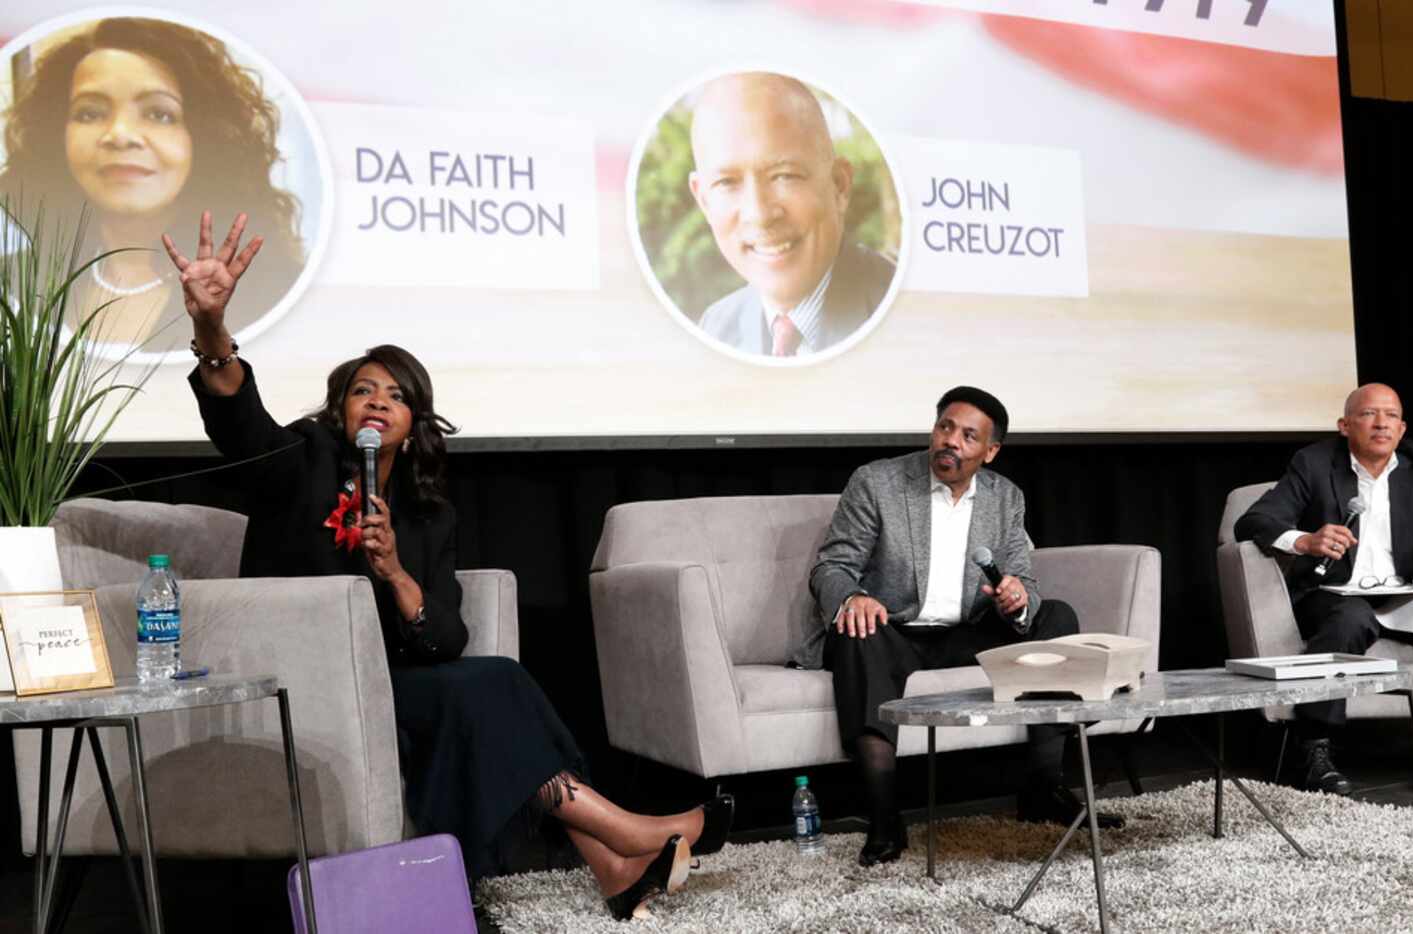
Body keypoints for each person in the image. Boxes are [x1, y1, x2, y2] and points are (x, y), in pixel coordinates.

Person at [166, 212, 732, 920]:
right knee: (491, 688)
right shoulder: (302, 463)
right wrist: (214, 328)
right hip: (306, 684)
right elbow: (237, 420)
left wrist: (398, 573)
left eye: (396, 395)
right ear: (341, 408)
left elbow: (446, 640)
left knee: (488, 682)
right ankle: (623, 835)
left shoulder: (429, 516)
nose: (378, 401)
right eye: (363, 390)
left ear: (415, 421)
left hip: (392, 684)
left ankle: (616, 864)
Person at [798, 386, 1122, 866]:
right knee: (855, 630)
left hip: (965, 633)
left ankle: (1042, 789)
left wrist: (1017, 600)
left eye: (968, 436)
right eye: (945, 427)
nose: (951, 441)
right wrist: (853, 597)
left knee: (1057, 617)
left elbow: (1024, 580)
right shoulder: (878, 482)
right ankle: (885, 818)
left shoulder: (1005, 497)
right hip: (894, 632)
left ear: (989, 452)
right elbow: (832, 566)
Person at [1235, 383, 1413, 797]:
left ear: (1402, 429)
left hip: (1408, 593)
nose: (1381, 423)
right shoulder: (1313, 463)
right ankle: (1314, 748)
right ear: (1345, 425)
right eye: (1368, 414)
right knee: (1350, 620)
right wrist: (1305, 540)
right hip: (1335, 593)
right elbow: (1254, 521)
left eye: (1391, 416)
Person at [0, 17, 305, 351]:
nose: (120, 135)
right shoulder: (14, 284)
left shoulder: (271, 290)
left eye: (159, 114)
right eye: (89, 114)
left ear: (205, 137)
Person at [687, 72, 894, 357]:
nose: (759, 214)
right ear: (704, 201)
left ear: (839, 186)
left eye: (784, 176)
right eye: (726, 183)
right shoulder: (716, 328)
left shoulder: (901, 312)